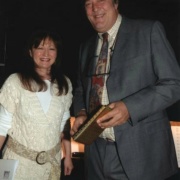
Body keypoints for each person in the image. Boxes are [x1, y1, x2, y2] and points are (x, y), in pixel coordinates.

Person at [70, 0, 180, 179]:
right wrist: (82, 112)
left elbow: (174, 84)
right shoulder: (86, 47)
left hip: (143, 155)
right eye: (88, 3)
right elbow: (81, 90)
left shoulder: (148, 31)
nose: (95, 7)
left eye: (100, 0)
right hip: (95, 155)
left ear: (115, 3)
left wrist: (130, 108)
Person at [0, 29, 73, 179]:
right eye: (40, 48)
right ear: (30, 51)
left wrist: (68, 156)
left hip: (50, 164)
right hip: (19, 163)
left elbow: (64, 124)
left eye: (51, 48)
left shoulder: (65, 84)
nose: (46, 54)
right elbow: (2, 126)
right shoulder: (15, 82)